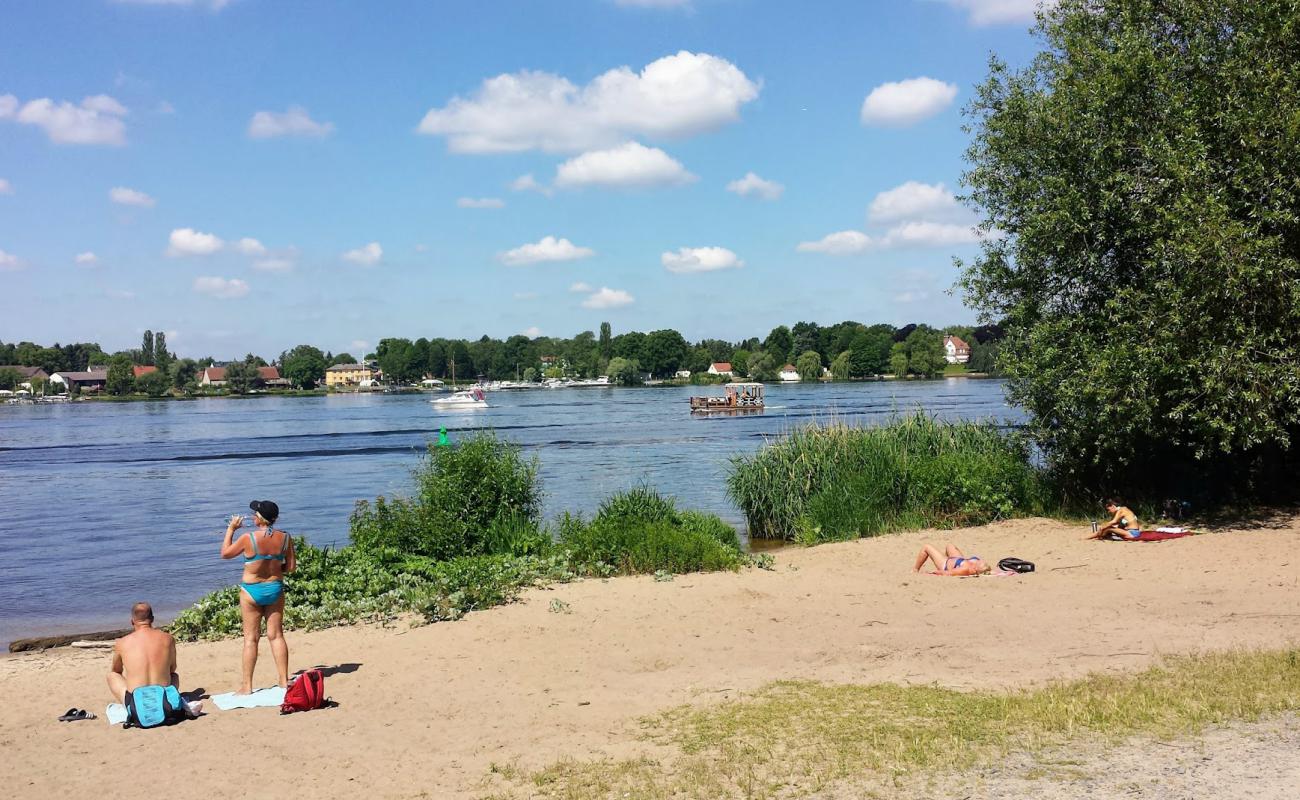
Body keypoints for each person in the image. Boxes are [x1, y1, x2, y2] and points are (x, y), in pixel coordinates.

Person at [221, 500, 296, 694]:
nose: (253, 516)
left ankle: (247, 686)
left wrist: (231, 529)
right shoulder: (286, 538)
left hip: (251, 591)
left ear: (260, 518)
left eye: (255, 513)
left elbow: (225, 554)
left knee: (251, 639)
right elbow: (291, 567)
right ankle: (283, 680)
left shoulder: (248, 538)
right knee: (276, 635)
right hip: (274, 589)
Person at [107, 601, 201, 714]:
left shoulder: (122, 643)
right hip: (166, 705)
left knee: (111, 676)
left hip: (138, 709)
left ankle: (128, 705)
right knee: (174, 676)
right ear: (152, 619)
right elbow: (172, 669)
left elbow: (116, 670)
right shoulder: (168, 638)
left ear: (132, 621)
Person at [913, 543, 991, 576]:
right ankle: (947, 559)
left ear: (975, 568)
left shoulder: (966, 569)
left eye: (978, 563)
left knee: (926, 547)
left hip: (945, 564)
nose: (978, 561)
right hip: (960, 560)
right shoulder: (976, 563)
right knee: (949, 545)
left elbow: (948, 573)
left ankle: (915, 570)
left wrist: (932, 573)